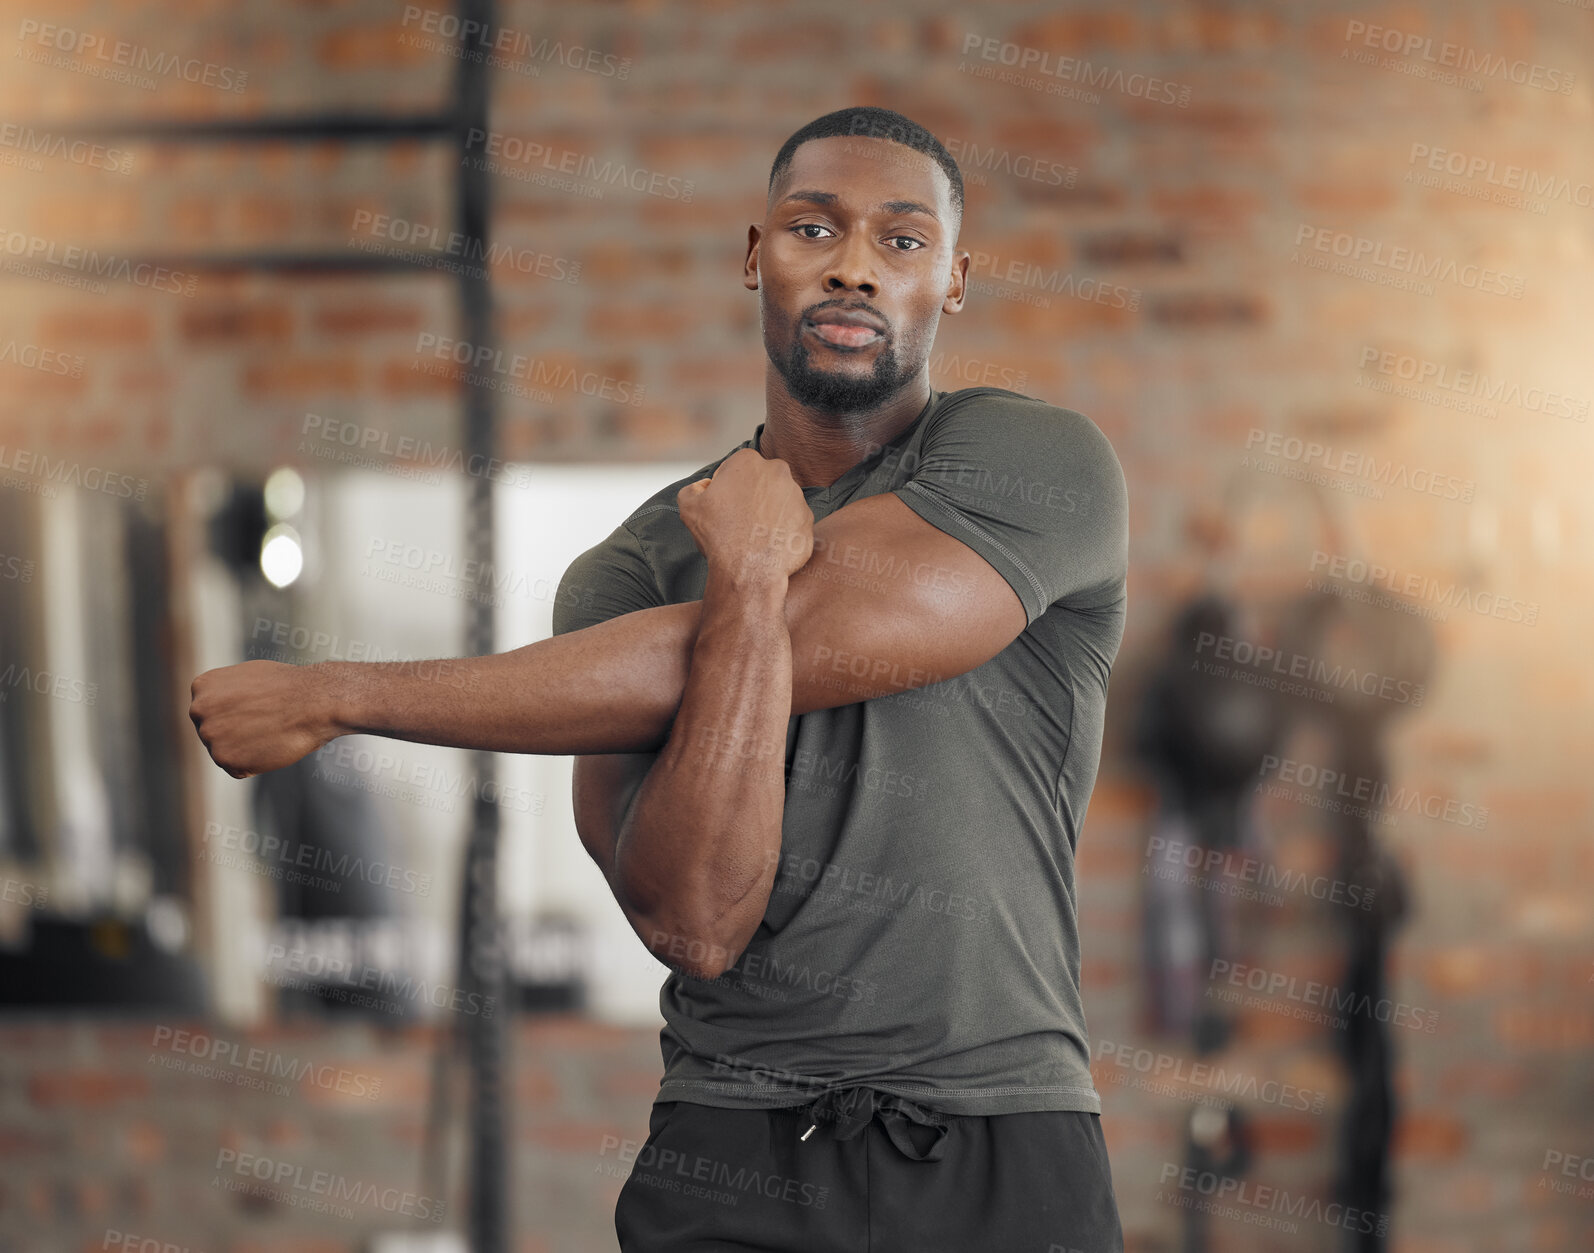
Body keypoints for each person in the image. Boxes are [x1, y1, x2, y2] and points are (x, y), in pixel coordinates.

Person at [190, 105, 1128, 1252]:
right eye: (810, 228)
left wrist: (332, 693)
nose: (851, 267)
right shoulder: (632, 566)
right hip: (732, 1151)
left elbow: (839, 623)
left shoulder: (1036, 464)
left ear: (954, 277)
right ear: (753, 255)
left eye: (900, 239)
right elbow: (694, 921)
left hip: (1003, 1139)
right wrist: (739, 582)